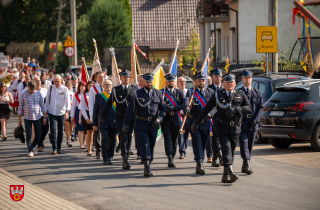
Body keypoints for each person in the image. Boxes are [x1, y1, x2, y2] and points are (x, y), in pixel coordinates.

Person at [191, 73, 251, 183]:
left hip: (235, 128)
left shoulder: (240, 94)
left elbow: (248, 108)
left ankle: (225, 175)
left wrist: (237, 109)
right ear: (223, 83)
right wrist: (196, 122)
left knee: (231, 151)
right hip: (222, 127)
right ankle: (231, 173)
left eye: (232, 82)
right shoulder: (218, 94)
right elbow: (206, 109)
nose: (230, 84)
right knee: (226, 149)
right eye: (228, 82)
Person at [123, 73, 165, 177]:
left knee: (151, 145)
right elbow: (129, 110)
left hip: (154, 124)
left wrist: (159, 120)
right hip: (141, 123)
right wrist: (126, 124)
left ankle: (148, 162)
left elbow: (163, 109)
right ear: (143, 82)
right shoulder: (137, 94)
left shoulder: (158, 93)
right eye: (147, 82)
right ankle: (147, 167)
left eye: (150, 82)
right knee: (144, 144)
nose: (149, 84)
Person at [100, 70, 138, 169]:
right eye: (124, 77)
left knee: (129, 138)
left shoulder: (134, 89)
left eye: (128, 77)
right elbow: (109, 104)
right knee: (123, 137)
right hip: (120, 117)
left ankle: (126, 156)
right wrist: (101, 116)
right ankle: (124, 159)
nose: (126, 79)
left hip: (131, 118)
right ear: (120, 78)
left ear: (130, 78)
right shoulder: (116, 90)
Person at [184, 72, 215, 175]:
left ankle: (201, 159)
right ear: (195, 82)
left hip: (206, 122)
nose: (201, 82)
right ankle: (199, 163)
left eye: (203, 80)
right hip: (194, 122)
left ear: (205, 81)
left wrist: (210, 114)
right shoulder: (191, 92)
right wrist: (186, 107)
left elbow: (215, 106)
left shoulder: (210, 92)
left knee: (204, 143)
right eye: (199, 81)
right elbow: (186, 101)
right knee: (197, 143)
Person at [239, 70, 263, 175]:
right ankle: (248, 164)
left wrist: (256, 120)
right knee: (244, 144)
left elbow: (260, 107)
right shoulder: (238, 92)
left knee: (249, 145)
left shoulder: (257, 92)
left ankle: (245, 164)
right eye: (245, 78)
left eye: (249, 77)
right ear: (242, 79)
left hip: (253, 122)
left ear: (251, 79)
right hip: (242, 122)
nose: (247, 79)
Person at [161, 74, 185, 168]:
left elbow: (183, 105)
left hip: (176, 119)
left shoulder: (180, 92)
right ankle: (169, 157)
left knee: (174, 140)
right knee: (168, 139)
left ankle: (173, 155)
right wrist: (167, 108)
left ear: (175, 82)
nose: (170, 82)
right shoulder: (161, 92)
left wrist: (174, 108)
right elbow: (160, 105)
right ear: (166, 82)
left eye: (172, 81)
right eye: (169, 81)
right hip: (165, 120)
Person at [18, 81, 47, 157]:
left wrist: (44, 117)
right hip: (27, 117)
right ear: (28, 87)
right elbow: (20, 107)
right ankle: (30, 150)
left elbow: (42, 106)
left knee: (38, 134)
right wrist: (19, 119)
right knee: (29, 134)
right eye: (31, 89)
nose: (32, 90)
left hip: (37, 117)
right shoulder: (23, 94)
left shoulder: (38, 94)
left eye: (34, 89)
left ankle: (33, 146)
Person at [45, 75, 71, 155]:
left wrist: (67, 112)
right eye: (55, 81)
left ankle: (59, 147)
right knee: (53, 130)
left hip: (61, 113)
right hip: (52, 112)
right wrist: (45, 112)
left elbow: (67, 102)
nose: (56, 83)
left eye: (58, 81)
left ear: (61, 81)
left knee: (60, 131)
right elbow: (47, 101)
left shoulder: (65, 89)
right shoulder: (50, 88)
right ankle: (54, 148)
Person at [93, 79, 116, 165]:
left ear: (112, 85)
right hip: (103, 121)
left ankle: (110, 157)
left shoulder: (115, 95)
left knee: (112, 140)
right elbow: (95, 110)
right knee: (105, 138)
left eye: (109, 84)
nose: (108, 86)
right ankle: (105, 157)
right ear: (103, 86)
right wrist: (94, 123)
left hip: (114, 121)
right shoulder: (99, 96)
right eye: (106, 84)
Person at [207, 68, 223, 167]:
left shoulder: (224, 88)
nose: (218, 77)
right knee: (215, 138)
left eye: (219, 76)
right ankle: (218, 156)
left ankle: (215, 158)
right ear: (212, 77)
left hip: (223, 117)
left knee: (220, 138)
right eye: (216, 76)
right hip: (212, 117)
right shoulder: (209, 89)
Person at [89, 71, 105, 159]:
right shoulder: (93, 88)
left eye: (103, 76)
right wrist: (92, 116)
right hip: (97, 112)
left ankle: (105, 149)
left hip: (106, 113)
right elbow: (91, 103)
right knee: (97, 132)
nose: (102, 78)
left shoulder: (107, 86)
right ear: (96, 78)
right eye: (100, 77)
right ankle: (98, 150)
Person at [79, 81, 95, 155]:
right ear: (87, 87)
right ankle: (89, 150)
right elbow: (82, 107)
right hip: (87, 114)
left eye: (92, 85)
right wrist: (86, 118)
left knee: (95, 133)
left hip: (95, 114)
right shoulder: (84, 95)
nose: (91, 87)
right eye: (89, 85)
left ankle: (97, 148)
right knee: (89, 133)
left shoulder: (97, 94)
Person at [33, 76, 49, 152]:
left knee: (46, 129)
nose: (38, 82)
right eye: (36, 81)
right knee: (38, 130)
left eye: (39, 80)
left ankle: (41, 140)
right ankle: (39, 145)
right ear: (33, 82)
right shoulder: (31, 91)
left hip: (44, 113)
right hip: (35, 114)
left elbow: (47, 103)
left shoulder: (45, 91)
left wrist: (46, 114)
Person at [71, 81, 86, 149]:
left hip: (86, 111)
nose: (82, 87)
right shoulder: (76, 95)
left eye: (84, 86)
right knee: (80, 129)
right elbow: (73, 106)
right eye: (81, 86)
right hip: (78, 111)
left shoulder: (87, 94)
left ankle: (83, 142)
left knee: (85, 129)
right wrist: (72, 115)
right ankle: (81, 144)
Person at [177, 76, 189, 159]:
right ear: (177, 83)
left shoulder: (189, 92)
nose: (183, 83)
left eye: (184, 81)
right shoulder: (176, 92)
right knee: (180, 133)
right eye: (181, 81)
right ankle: (182, 151)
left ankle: (184, 148)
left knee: (186, 134)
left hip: (188, 116)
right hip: (179, 116)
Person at [64, 80, 74, 147]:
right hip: (65, 111)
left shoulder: (73, 93)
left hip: (72, 111)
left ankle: (69, 137)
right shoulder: (63, 93)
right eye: (67, 85)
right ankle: (68, 140)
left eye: (69, 85)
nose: (68, 86)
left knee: (71, 127)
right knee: (67, 126)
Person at [70, 75, 78, 142]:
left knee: (77, 121)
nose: (74, 82)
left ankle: (76, 134)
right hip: (71, 106)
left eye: (75, 81)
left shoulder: (78, 87)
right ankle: (72, 134)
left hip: (77, 105)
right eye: (72, 81)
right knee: (72, 121)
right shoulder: (69, 88)